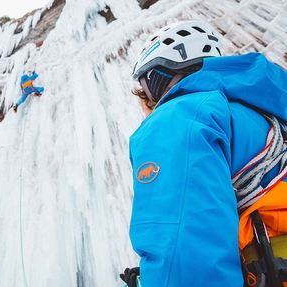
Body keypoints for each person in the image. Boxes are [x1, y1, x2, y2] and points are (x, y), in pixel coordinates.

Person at [121, 20, 287, 287]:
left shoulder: (180, 115)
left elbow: (184, 252)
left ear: (157, 78)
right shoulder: (265, 118)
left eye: (147, 96)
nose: (149, 107)